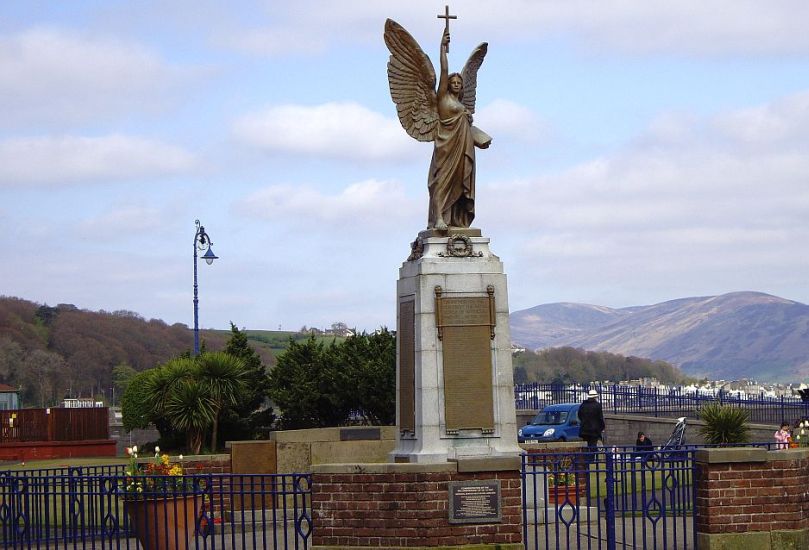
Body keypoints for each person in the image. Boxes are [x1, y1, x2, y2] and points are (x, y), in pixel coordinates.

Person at [578, 389, 605, 458]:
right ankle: (592, 459)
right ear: (595, 397)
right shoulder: (597, 406)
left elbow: (579, 415)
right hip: (594, 430)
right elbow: (600, 418)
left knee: (586, 445)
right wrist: (602, 427)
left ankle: (585, 459)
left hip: (584, 429)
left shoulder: (583, 405)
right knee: (593, 445)